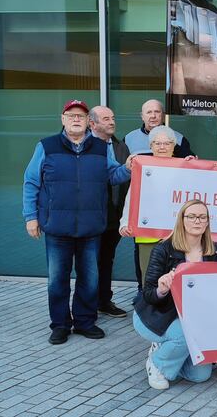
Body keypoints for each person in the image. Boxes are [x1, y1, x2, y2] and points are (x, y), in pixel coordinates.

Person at [23, 99, 133, 345]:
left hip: (91, 227)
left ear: (87, 122)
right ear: (63, 119)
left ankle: (84, 322)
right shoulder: (46, 146)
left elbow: (113, 175)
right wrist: (31, 217)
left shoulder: (100, 147)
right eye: (71, 115)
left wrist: (128, 168)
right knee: (57, 280)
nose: (76, 119)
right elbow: (31, 182)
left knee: (89, 278)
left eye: (80, 116)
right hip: (57, 226)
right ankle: (60, 325)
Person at [132, 199, 215, 390]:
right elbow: (148, 294)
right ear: (182, 220)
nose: (197, 221)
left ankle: (170, 352)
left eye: (202, 217)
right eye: (192, 216)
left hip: (189, 317)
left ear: (208, 222)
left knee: (200, 375)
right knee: (184, 336)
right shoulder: (163, 249)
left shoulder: (212, 250)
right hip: (158, 314)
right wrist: (162, 289)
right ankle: (157, 363)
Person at [120, 126, 191, 293]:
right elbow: (132, 197)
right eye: (157, 143)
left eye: (167, 143)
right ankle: (149, 316)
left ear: (174, 146)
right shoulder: (143, 167)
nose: (162, 147)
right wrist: (124, 222)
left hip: (177, 234)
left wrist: (194, 165)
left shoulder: (185, 166)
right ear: (150, 146)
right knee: (149, 279)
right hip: (147, 234)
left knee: (177, 278)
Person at [88, 105, 131, 318]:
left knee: (106, 260)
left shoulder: (121, 146)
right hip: (93, 214)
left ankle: (104, 301)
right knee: (90, 261)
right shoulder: (85, 147)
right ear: (92, 124)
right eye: (106, 118)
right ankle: (87, 305)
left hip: (115, 214)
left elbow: (125, 178)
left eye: (113, 117)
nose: (111, 122)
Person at [124, 99, 194, 157]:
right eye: (149, 112)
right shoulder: (128, 139)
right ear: (142, 116)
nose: (153, 116)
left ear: (163, 115)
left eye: (157, 112)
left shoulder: (179, 139)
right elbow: (122, 168)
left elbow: (189, 165)